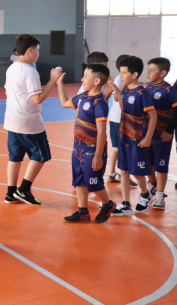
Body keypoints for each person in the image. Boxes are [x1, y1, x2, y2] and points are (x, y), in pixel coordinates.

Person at [4, 34, 63, 205]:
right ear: (30, 50)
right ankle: (24, 189)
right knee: (41, 155)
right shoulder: (30, 71)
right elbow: (37, 99)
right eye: (37, 50)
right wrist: (52, 81)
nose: (38, 53)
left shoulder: (11, 68)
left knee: (15, 157)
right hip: (29, 123)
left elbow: (7, 91)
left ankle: (10, 193)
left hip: (12, 121)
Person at [57, 64, 116, 223]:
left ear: (97, 81)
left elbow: (102, 132)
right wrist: (59, 84)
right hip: (78, 148)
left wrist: (98, 155)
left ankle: (108, 204)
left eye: (85, 76)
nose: (82, 79)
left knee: (93, 182)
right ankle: (83, 212)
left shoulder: (100, 103)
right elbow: (65, 103)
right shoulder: (82, 96)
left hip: (92, 150)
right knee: (80, 181)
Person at [109, 56, 157, 216]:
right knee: (123, 170)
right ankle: (126, 204)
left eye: (124, 73)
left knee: (137, 172)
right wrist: (116, 87)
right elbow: (117, 99)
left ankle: (145, 193)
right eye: (120, 72)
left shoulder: (142, 93)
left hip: (138, 139)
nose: (121, 75)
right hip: (123, 137)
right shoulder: (126, 89)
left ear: (135, 74)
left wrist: (148, 138)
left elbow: (153, 116)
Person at [144, 57, 177, 209]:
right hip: (147, 134)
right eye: (148, 70)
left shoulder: (169, 90)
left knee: (161, 165)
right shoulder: (147, 88)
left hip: (162, 135)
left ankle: (160, 195)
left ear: (163, 73)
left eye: (152, 70)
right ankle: (153, 185)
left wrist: (169, 130)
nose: (148, 73)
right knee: (148, 162)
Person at [105, 55, 138, 186]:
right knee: (116, 147)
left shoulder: (125, 79)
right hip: (118, 119)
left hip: (124, 118)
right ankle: (113, 173)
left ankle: (118, 173)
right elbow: (116, 98)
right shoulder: (120, 79)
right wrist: (123, 84)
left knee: (120, 147)